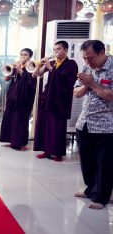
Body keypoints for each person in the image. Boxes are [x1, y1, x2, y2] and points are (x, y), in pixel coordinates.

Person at [74, 40, 113, 210]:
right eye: (85, 59)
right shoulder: (87, 68)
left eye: (91, 58)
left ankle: (101, 197)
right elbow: (76, 93)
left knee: (104, 163)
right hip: (85, 122)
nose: (88, 62)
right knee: (87, 161)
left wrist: (92, 84)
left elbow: (111, 96)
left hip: (106, 125)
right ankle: (91, 189)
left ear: (102, 52)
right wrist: (85, 85)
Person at [33, 40, 78, 161]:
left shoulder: (71, 64)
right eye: (54, 49)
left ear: (66, 50)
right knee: (45, 124)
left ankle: (57, 153)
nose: (56, 52)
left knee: (56, 126)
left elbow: (67, 81)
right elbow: (36, 75)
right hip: (48, 97)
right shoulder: (53, 62)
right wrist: (40, 65)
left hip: (60, 100)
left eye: (58, 49)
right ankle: (46, 151)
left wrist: (50, 68)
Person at [0, 48, 37, 150]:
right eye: (21, 54)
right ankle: (10, 139)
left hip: (23, 97)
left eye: (25, 55)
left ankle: (18, 142)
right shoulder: (17, 65)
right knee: (10, 117)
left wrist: (20, 70)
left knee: (19, 119)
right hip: (13, 96)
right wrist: (10, 70)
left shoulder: (31, 66)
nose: (22, 57)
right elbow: (7, 78)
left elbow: (30, 82)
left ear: (30, 57)